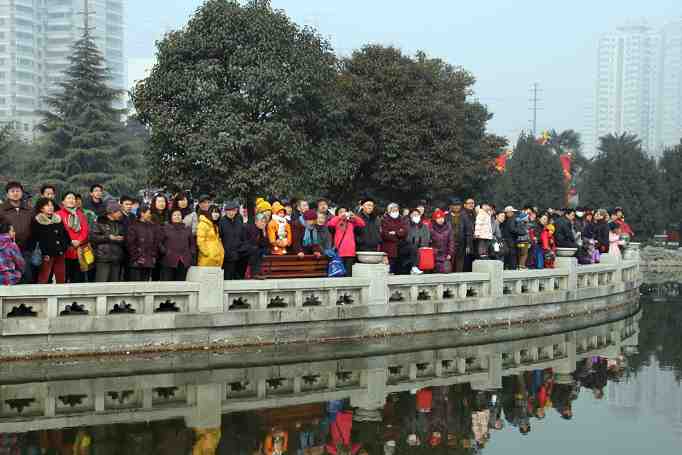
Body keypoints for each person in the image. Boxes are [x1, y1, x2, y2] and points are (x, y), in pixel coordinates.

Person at [0, 182, 34, 283]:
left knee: (27, 276)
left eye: (18, 191)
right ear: (7, 194)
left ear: (22, 193)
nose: (15, 193)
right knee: (11, 277)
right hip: (6, 250)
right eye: (12, 191)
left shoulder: (29, 209)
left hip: (26, 249)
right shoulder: (1, 209)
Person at [31, 197, 70, 284]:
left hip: (60, 252)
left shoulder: (58, 218)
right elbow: (35, 238)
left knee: (61, 277)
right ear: (41, 208)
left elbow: (64, 234)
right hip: (46, 254)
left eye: (52, 205)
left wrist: (65, 246)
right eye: (47, 205)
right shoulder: (37, 220)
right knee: (44, 277)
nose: (50, 207)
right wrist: (43, 252)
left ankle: (61, 295)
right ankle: (41, 296)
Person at [57, 192, 89, 283]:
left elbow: (85, 230)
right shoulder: (58, 214)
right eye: (69, 198)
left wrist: (79, 241)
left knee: (78, 279)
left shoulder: (80, 214)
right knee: (63, 278)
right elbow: (59, 232)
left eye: (73, 199)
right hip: (64, 251)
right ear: (63, 201)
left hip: (79, 251)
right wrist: (70, 241)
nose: (71, 200)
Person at [90, 200, 126, 282]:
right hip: (103, 258)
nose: (121, 214)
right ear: (111, 212)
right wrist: (109, 237)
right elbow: (93, 237)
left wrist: (122, 238)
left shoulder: (120, 223)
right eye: (119, 212)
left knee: (114, 286)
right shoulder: (99, 222)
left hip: (116, 258)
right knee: (102, 283)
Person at [327, 206, 366, 276]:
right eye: (341, 212)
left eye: (345, 211)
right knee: (339, 273)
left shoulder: (351, 222)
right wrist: (339, 217)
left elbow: (362, 224)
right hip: (339, 252)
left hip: (350, 252)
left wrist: (354, 217)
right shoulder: (336, 221)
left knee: (348, 274)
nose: (343, 213)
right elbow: (330, 224)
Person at [127, 205, 162, 282]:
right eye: (148, 213)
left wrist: (153, 256)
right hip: (136, 262)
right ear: (142, 214)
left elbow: (156, 242)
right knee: (136, 285)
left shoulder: (152, 226)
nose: (150, 215)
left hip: (149, 261)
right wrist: (137, 257)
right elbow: (130, 244)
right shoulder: (133, 226)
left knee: (145, 285)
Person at [160, 208, 195, 281]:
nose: (177, 216)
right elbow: (159, 242)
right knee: (168, 284)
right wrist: (165, 252)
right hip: (169, 260)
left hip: (183, 260)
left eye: (179, 215)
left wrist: (190, 254)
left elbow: (192, 244)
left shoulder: (187, 229)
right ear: (171, 217)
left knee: (181, 283)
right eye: (175, 215)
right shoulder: (165, 228)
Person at [219, 200, 248, 280]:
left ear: (236, 211)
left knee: (238, 279)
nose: (231, 213)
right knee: (227, 278)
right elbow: (220, 238)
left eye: (233, 210)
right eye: (229, 211)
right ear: (225, 211)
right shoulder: (221, 222)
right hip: (227, 256)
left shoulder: (239, 221)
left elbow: (243, 237)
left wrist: (242, 249)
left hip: (239, 255)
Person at [381, 203, 408, 274]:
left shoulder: (401, 219)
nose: (395, 212)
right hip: (389, 249)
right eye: (393, 210)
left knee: (399, 271)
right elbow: (385, 234)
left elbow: (405, 232)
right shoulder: (384, 219)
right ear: (389, 211)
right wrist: (399, 233)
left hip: (400, 249)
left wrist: (395, 232)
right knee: (390, 270)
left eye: (397, 210)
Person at [407, 207, 431, 274]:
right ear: (410, 216)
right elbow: (407, 238)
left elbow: (427, 238)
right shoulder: (407, 225)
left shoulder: (424, 226)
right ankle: (414, 267)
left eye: (417, 215)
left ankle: (416, 268)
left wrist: (422, 245)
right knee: (413, 248)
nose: (416, 216)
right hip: (410, 249)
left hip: (422, 248)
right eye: (414, 215)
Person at [245, 213, 270, 278]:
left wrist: (264, 233)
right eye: (261, 221)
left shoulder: (261, 230)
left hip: (255, 249)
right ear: (256, 222)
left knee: (265, 250)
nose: (263, 223)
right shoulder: (251, 228)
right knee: (255, 251)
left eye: (265, 222)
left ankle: (260, 272)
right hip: (246, 248)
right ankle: (255, 273)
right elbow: (252, 242)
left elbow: (264, 244)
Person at [429, 209, 454, 273]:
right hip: (434, 255)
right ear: (435, 219)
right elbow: (428, 243)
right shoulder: (431, 228)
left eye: (442, 218)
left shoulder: (448, 227)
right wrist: (434, 251)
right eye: (438, 218)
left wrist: (450, 253)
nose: (441, 220)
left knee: (445, 271)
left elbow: (451, 241)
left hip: (445, 255)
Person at [447, 197, 464, 272]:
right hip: (450, 243)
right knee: (450, 263)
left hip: (461, 243)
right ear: (451, 206)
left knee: (460, 264)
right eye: (455, 205)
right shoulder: (446, 217)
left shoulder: (463, 216)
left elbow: (467, 230)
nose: (457, 207)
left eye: (458, 205)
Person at [461, 198, 476, 272]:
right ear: (465, 205)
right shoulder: (463, 214)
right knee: (466, 263)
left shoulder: (474, 214)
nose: (471, 204)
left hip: (474, 242)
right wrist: (467, 245)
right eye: (469, 203)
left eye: (472, 203)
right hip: (466, 243)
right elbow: (463, 230)